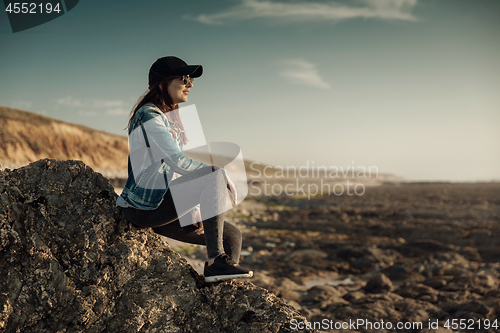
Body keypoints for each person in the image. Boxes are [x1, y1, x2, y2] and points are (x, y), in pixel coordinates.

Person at [116, 56, 253, 282]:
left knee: (232, 236)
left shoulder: (171, 119)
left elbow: (175, 173)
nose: (190, 84)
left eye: (190, 79)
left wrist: (193, 207)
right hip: (144, 209)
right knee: (213, 174)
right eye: (184, 78)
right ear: (163, 83)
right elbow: (175, 160)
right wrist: (218, 174)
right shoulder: (148, 115)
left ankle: (218, 293)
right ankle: (215, 261)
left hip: (164, 203)